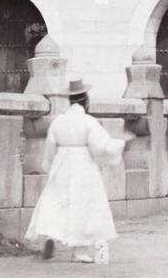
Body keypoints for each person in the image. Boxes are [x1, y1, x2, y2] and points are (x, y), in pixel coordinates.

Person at [25, 78, 125, 263]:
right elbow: (100, 147)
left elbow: (50, 146)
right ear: (86, 100)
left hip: (62, 163)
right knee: (83, 204)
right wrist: (118, 144)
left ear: (70, 101)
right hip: (83, 164)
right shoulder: (89, 122)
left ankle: (50, 234)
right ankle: (79, 251)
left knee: (56, 199)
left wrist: (49, 164)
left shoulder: (59, 121)